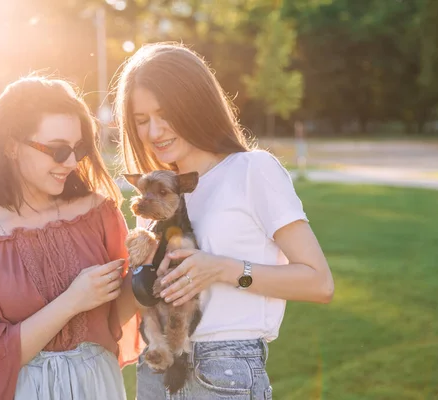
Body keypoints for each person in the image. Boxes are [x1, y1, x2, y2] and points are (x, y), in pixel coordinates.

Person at [113, 42, 334, 400]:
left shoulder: (251, 171)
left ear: (195, 104)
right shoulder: (158, 195)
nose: (154, 132)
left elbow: (319, 283)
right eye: (141, 121)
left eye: (165, 113)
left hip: (223, 371)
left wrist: (222, 269)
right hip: (157, 367)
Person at [0, 76, 143, 400]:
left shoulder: (98, 213)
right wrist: (73, 300)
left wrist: (150, 271)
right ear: (10, 146)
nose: (73, 162)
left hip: (99, 386)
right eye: (58, 150)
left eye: (79, 148)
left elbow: (113, 318)